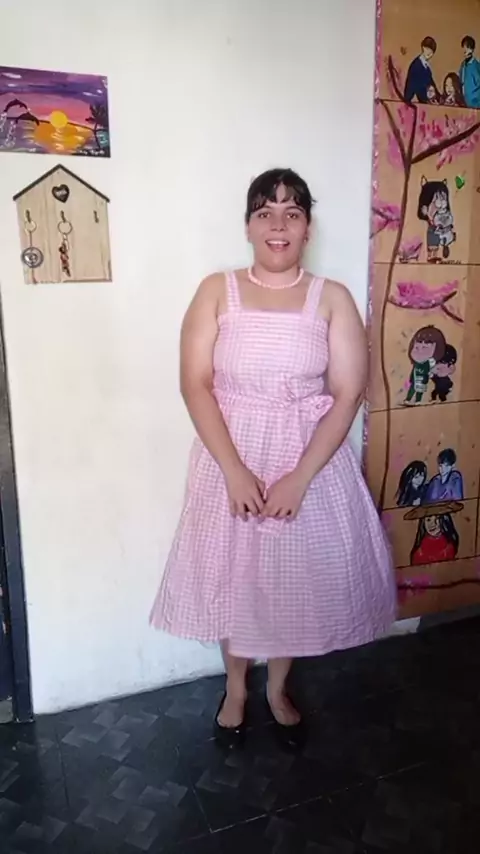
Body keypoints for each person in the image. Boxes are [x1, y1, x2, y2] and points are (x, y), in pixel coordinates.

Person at [150, 168, 396, 749]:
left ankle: (277, 687)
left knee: (290, 581)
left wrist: (298, 480)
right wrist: (235, 471)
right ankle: (235, 687)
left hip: (306, 464)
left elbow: (348, 394)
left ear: (308, 227)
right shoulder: (217, 290)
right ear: (248, 226)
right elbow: (194, 384)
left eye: (292, 212)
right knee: (233, 578)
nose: (278, 225)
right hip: (229, 457)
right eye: (265, 212)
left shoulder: (332, 298)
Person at [404, 37, 438, 103]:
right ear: (423, 47)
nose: (429, 53)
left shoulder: (426, 67)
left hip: (423, 101)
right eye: (427, 49)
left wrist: (439, 98)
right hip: (412, 101)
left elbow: (431, 83)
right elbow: (416, 87)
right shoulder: (416, 65)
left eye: (431, 52)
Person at [459, 36, 480, 109]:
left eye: (468, 47)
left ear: (472, 49)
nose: (465, 50)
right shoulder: (463, 65)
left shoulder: (476, 65)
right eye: (464, 47)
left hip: (476, 103)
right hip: (464, 102)